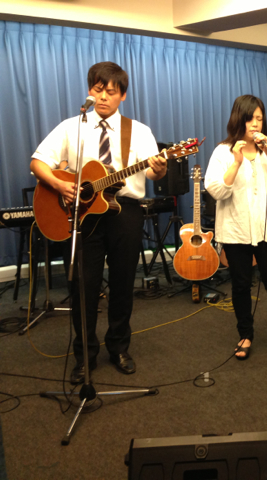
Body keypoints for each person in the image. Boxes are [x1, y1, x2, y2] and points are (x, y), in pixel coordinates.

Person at [30, 61, 167, 384]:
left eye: (112, 91)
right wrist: (60, 185)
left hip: (125, 212)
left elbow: (152, 172)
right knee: (83, 286)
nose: (104, 96)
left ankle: (119, 347)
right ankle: (85, 356)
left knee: (122, 283)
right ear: (90, 90)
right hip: (82, 213)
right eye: (98, 89)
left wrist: (160, 168)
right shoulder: (72, 127)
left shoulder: (139, 131)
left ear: (123, 96)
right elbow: (38, 162)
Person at [205, 95, 267, 360]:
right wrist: (236, 162)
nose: (255, 124)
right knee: (241, 285)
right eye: (250, 118)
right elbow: (217, 190)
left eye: (259, 118)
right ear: (239, 119)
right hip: (236, 230)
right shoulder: (223, 151)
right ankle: (245, 335)